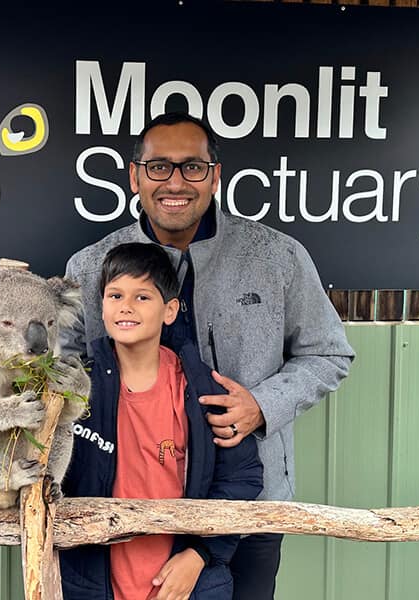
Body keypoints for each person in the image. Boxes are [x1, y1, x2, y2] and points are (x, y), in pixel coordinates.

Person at [63, 112, 355, 600]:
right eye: (158, 167)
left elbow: (328, 353)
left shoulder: (276, 256)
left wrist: (262, 406)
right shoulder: (92, 265)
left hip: (248, 496)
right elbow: (61, 372)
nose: (175, 182)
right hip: (125, 505)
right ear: (134, 175)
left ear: (215, 176)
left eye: (192, 167)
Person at [59, 242, 263, 600]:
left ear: (169, 310)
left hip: (183, 585)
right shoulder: (75, 390)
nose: (126, 306)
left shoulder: (202, 392)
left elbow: (241, 480)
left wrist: (201, 554)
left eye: (142, 297)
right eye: (115, 295)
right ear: (102, 307)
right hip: (93, 583)